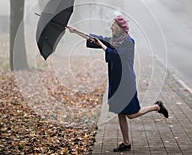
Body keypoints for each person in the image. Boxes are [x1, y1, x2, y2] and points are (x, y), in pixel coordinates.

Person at [67, 16, 168, 152]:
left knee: (131, 114)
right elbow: (98, 39)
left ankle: (156, 107)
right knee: (120, 113)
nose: (110, 28)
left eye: (113, 25)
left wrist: (102, 45)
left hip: (126, 83)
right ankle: (126, 143)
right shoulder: (115, 40)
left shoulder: (129, 42)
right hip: (116, 81)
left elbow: (115, 55)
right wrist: (76, 32)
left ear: (120, 28)